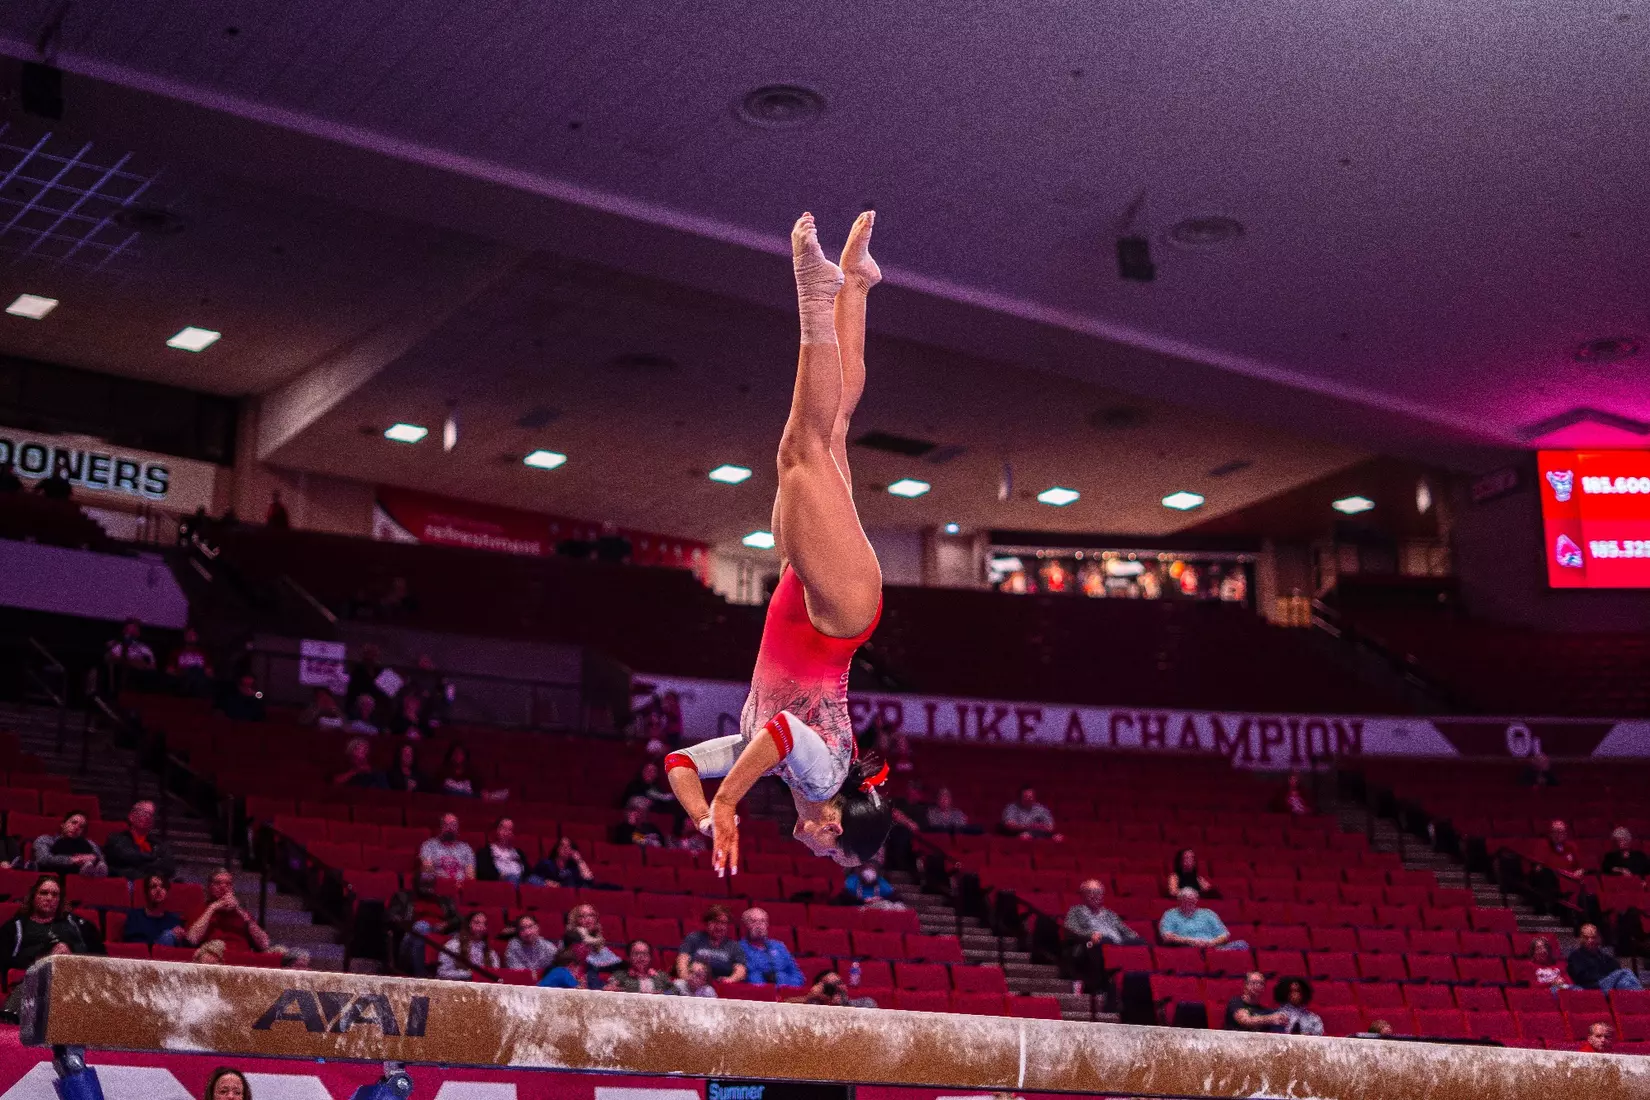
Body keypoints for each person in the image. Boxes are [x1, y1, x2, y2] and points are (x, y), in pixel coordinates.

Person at [663, 214, 891, 874]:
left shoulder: (768, 761)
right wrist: (730, 803)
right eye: (834, 853)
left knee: (833, 428)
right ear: (835, 823)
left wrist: (704, 815)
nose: (822, 854)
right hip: (837, 615)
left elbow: (678, 763)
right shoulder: (822, 780)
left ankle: (855, 283)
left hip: (813, 594)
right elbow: (787, 731)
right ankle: (815, 295)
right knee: (800, 451)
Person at [0, 875, 91, 974]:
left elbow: (98, 956)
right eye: (44, 893)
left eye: (55, 894)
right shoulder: (15, 927)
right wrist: (44, 958)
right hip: (31, 980)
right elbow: (5, 962)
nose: (49, 898)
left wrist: (71, 954)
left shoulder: (77, 924)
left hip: (73, 976)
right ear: (33, 896)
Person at [185, 868, 271, 952]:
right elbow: (192, 939)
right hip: (212, 957)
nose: (223, 887)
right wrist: (213, 908)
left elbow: (264, 944)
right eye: (217, 883)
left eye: (228, 884)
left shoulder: (242, 914)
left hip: (241, 958)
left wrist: (239, 910)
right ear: (209, 887)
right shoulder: (201, 910)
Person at [104, 800, 176, 880]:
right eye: (144, 813)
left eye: (151, 815)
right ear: (131, 816)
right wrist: (153, 859)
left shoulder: (158, 844)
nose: (148, 817)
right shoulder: (116, 839)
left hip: (152, 884)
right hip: (126, 882)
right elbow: (127, 857)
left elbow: (169, 867)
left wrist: (143, 865)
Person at [675, 905, 748, 983]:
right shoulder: (694, 938)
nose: (719, 927)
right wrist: (686, 978)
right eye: (715, 922)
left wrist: (730, 980)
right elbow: (682, 960)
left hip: (722, 985)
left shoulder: (734, 946)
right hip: (693, 984)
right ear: (707, 923)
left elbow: (741, 969)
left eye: (723, 923)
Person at [1567, 924, 1644, 992]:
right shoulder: (1576, 956)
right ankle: (1642, 997)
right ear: (1581, 939)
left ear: (1599, 938)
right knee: (1625, 972)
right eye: (1586, 938)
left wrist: (1610, 978)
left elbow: (1616, 968)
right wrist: (1607, 977)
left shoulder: (1604, 957)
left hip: (1606, 984)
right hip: (1591, 987)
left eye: (1593, 937)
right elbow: (1582, 977)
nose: (1590, 941)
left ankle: (1639, 1001)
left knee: (1624, 982)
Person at [740, 907, 804, 986]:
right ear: (745, 926)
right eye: (753, 922)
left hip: (787, 993)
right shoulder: (739, 948)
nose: (759, 926)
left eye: (763, 921)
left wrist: (782, 983)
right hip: (759, 995)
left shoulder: (779, 946)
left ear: (767, 925)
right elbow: (752, 978)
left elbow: (798, 976)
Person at [1159, 888, 1242, 949]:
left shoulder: (1208, 913)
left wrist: (1211, 943)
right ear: (1179, 901)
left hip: (1213, 947)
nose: (1190, 903)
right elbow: (1167, 937)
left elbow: (1224, 935)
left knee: (1241, 944)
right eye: (1186, 900)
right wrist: (1190, 941)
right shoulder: (1170, 915)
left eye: (1192, 900)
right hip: (1188, 948)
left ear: (1196, 900)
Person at [33, 811, 109, 877]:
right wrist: (72, 860)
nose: (76, 828)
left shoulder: (89, 843)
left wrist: (94, 858)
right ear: (63, 824)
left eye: (81, 827)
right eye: (74, 822)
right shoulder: (46, 839)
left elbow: (102, 862)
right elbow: (43, 859)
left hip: (81, 880)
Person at [122, 874, 185, 946]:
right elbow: (132, 944)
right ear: (146, 893)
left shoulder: (174, 921)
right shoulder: (134, 916)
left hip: (165, 956)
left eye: (162, 887)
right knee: (169, 935)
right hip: (142, 955)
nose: (158, 890)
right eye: (153, 886)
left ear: (167, 893)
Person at [436, 910, 499, 980]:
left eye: (484, 924)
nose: (481, 927)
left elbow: (496, 972)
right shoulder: (452, 946)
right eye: (477, 923)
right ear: (468, 924)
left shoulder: (489, 950)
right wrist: (469, 974)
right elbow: (442, 973)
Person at [418, 814, 477, 885]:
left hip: (460, 888)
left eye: (453, 825)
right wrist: (448, 882)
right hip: (437, 886)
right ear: (441, 827)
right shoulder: (429, 845)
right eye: (446, 825)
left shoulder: (466, 849)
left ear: (457, 828)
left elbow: (470, 876)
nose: (450, 828)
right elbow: (427, 870)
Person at [563, 904, 624, 970]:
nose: (588, 919)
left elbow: (616, 961)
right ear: (575, 920)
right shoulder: (571, 936)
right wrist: (598, 940)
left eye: (591, 915)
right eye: (582, 916)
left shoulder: (595, 937)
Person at [538, 930, 605, 989]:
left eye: (588, 946)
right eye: (585, 946)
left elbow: (598, 988)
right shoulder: (558, 970)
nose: (588, 950)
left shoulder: (590, 969)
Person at [476, 817, 529, 884]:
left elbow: (528, 871)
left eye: (510, 830)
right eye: (504, 829)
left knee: (535, 880)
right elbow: (483, 872)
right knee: (513, 878)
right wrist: (500, 876)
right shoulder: (485, 852)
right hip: (501, 883)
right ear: (496, 831)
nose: (507, 833)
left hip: (522, 880)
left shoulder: (519, 853)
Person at [607, 939, 671, 993]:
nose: (641, 957)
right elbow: (607, 990)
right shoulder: (620, 976)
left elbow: (675, 990)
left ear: (650, 957)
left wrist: (664, 994)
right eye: (636, 954)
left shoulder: (661, 976)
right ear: (628, 957)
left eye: (645, 954)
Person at [532, 837, 597, 888]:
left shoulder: (573, 868)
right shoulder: (546, 863)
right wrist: (545, 883)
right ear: (557, 849)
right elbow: (531, 879)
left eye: (569, 846)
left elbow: (589, 882)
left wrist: (579, 860)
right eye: (562, 845)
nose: (565, 848)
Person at [166, 627, 214, 694]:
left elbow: (210, 674)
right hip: (181, 680)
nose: (190, 637)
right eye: (188, 635)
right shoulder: (176, 652)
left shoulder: (203, 654)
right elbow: (169, 671)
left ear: (197, 637)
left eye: (192, 635)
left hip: (199, 682)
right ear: (185, 637)